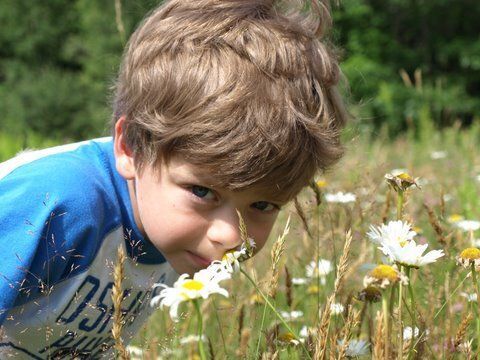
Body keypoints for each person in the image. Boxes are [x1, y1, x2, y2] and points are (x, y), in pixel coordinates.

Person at [0, 0, 348, 357]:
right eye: (202, 191)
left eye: (262, 204)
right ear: (130, 147)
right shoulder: (59, 203)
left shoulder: (172, 232)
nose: (229, 236)